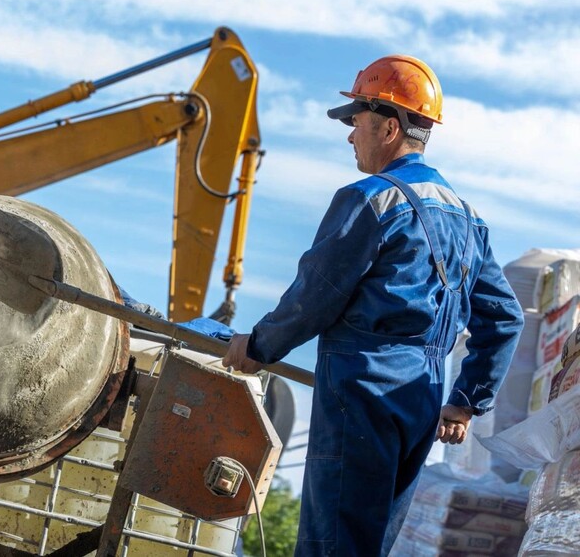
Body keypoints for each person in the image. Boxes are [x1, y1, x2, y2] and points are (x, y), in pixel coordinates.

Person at [221, 55, 523, 556]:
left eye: (355, 121)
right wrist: (465, 401)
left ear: (388, 127)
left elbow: (314, 295)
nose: (349, 136)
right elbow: (505, 319)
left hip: (360, 392)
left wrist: (258, 346)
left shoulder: (369, 199)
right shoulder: (470, 220)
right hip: (421, 400)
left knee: (333, 545)